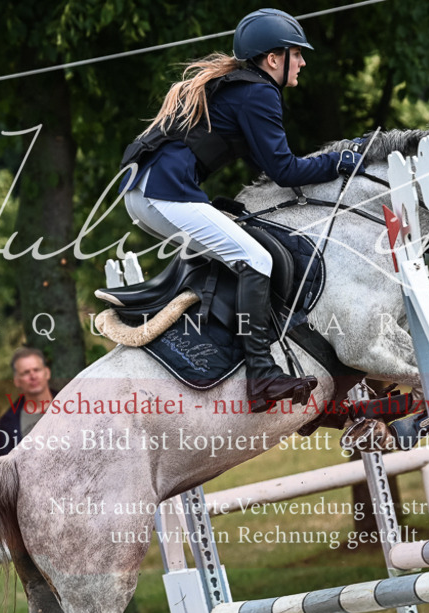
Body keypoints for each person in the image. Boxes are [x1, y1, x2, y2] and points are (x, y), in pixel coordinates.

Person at [119, 8, 361, 413]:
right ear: (273, 59)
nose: (302, 62)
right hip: (164, 193)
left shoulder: (239, 88)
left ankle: (225, 348)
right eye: (296, 54)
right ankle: (261, 374)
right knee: (256, 258)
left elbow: (265, 164)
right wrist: (339, 162)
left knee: (239, 252)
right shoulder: (259, 92)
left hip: (143, 192)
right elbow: (284, 170)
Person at [0, 347, 57, 457]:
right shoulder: (7, 423)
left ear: (47, 373)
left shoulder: (73, 407)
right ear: (17, 381)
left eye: (37, 370)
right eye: (26, 373)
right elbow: (3, 471)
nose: (33, 376)